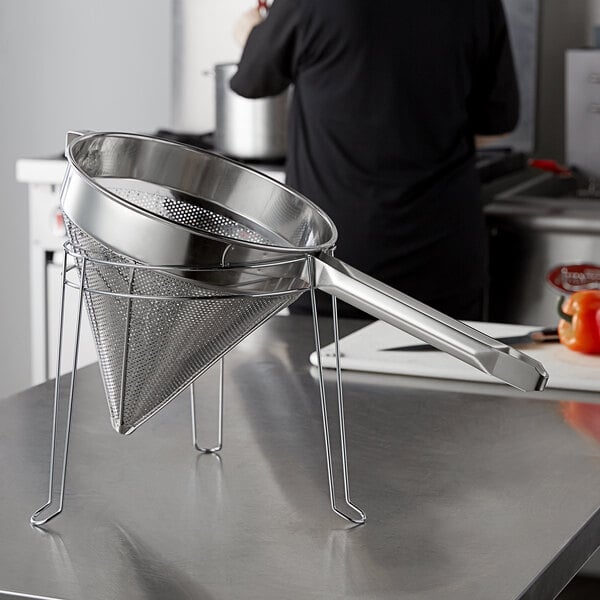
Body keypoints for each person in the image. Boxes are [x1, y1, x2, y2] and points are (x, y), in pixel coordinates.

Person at [230, 0, 519, 321]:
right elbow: (497, 123)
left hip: (336, 264)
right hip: (443, 260)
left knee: (327, 370)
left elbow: (253, 80)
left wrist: (251, 33)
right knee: (440, 371)